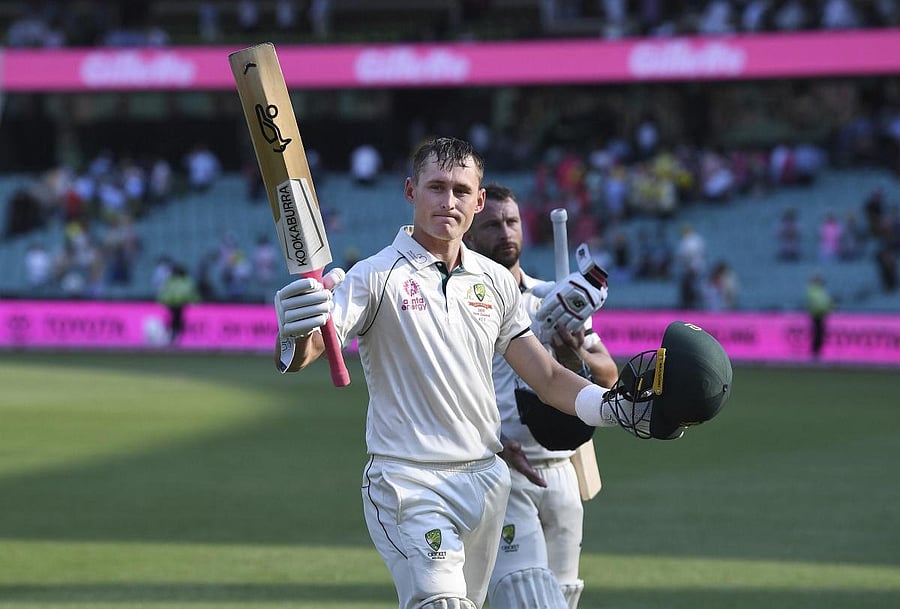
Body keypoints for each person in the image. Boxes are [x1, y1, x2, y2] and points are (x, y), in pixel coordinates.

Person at [272, 137, 728, 609]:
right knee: (441, 602)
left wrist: (613, 408)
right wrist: (296, 327)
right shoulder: (375, 275)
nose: (447, 202)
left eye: (460, 190)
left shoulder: (493, 282)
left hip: (486, 481)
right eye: (435, 188)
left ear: (479, 199)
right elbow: (310, 353)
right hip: (408, 480)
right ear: (411, 191)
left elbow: (547, 377)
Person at [464, 183, 619, 609]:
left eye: (511, 221)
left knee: (564, 594)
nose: (505, 232)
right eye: (492, 224)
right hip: (501, 466)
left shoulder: (554, 295)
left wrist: (575, 354)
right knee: (526, 595)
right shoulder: (462, 303)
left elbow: (608, 374)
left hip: (562, 467)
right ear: (470, 236)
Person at [806, 272, 833, 359]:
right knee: (817, 334)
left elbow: (826, 303)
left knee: (820, 334)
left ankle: (817, 352)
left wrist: (828, 309)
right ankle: (815, 352)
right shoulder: (814, 290)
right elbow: (819, 303)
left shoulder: (819, 290)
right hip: (817, 315)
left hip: (820, 314)